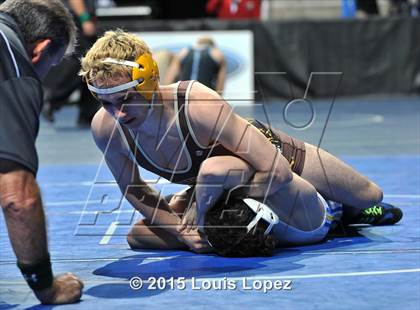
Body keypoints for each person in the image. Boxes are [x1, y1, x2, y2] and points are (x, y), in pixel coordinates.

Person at [80, 30, 402, 255]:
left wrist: (214, 206)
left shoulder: (196, 105)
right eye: (105, 102)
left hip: (273, 155)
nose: (118, 113)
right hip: (217, 179)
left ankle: (341, 210)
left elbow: (277, 172)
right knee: (147, 230)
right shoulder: (106, 128)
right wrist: (183, 230)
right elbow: (134, 189)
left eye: (125, 99)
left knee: (370, 195)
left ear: (149, 81)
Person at [0, 0, 83, 304]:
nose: (46, 75)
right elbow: (17, 199)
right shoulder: (14, 65)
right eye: (52, 64)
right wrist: (46, 286)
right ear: (40, 49)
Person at [43, 0, 99, 126]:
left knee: (92, 64)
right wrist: (84, 18)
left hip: (80, 16)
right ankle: (54, 100)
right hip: (78, 18)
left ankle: (87, 114)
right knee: (85, 62)